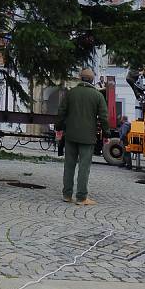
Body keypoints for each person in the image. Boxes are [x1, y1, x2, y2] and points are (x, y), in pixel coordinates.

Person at [55, 68, 110, 206]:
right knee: (84, 167)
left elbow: (61, 112)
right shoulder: (97, 95)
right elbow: (104, 117)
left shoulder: (71, 93)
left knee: (69, 165)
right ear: (92, 80)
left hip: (71, 135)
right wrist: (106, 134)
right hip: (87, 137)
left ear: (80, 79)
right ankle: (81, 197)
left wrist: (59, 128)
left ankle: (67, 195)